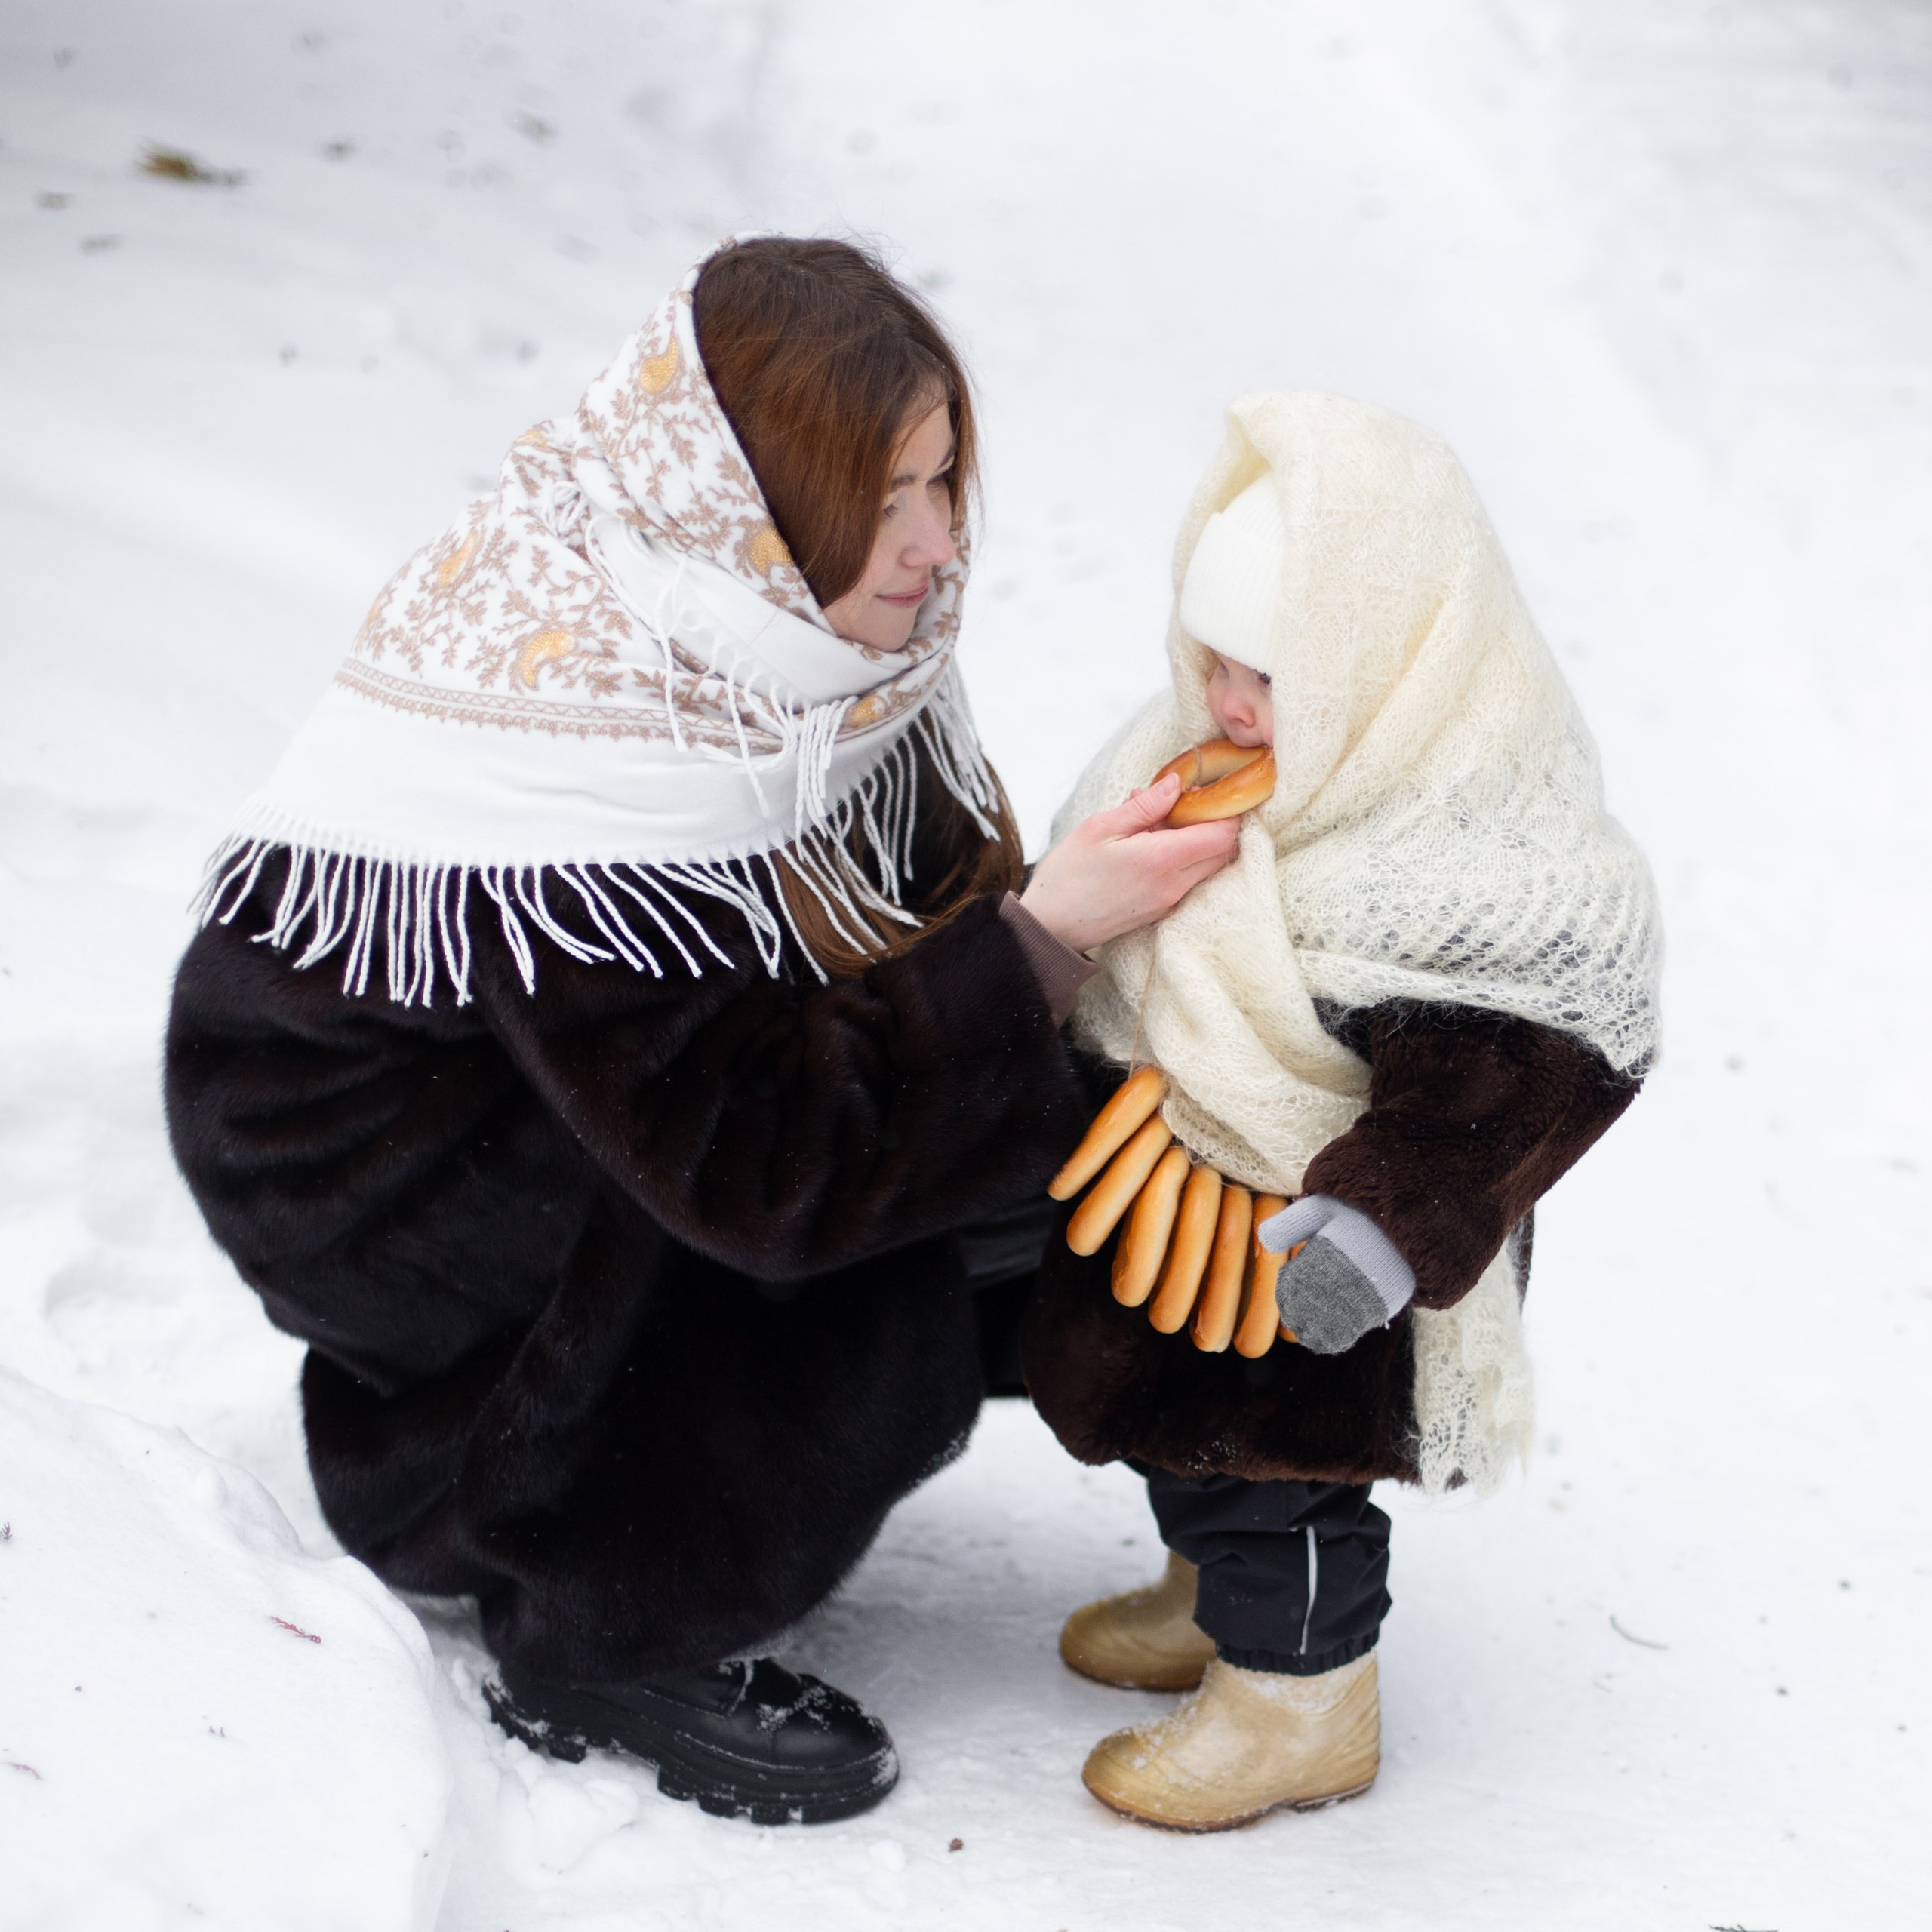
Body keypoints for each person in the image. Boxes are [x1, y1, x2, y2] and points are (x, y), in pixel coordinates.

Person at [163, 235, 1235, 1825]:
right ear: (750, 499)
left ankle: (1238, 1525)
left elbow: (894, 934)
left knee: (1106, 1140)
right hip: (391, 1180)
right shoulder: (587, 731)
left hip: (580, 1094)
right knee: (801, 1225)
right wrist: (1039, 949)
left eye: (942, 478)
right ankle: (599, 1621)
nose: (936, 543)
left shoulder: (772, 626)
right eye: (881, 496)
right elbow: (758, 1161)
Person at [1021, 391, 1663, 1831]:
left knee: (1283, 1479)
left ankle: (1300, 1696)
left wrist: (1382, 1226)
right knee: (1187, 1446)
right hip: (1167, 1213)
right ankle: (1210, 1594)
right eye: (1212, 660)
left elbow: (1519, 1069)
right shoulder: (1183, 763)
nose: (1231, 704)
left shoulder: (1471, 855)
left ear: (1387, 667)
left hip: (1312, 1259)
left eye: (1272, 674)